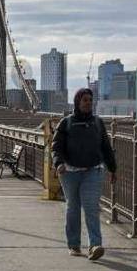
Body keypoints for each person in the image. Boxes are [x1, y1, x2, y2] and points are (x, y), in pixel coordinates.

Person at [51, 87, 116, 260]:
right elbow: (56, 147)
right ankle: (74, 245)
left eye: (90, 100)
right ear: (77, 102)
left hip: (93, 171)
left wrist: (113, 168)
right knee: (73, 208)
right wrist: (58, 163)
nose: (88, 103)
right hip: (69, 172)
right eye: (85, 100)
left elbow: (106, 147)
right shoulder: (66, 122)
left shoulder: (97, 123)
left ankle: (95, 245)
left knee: (91, 208)